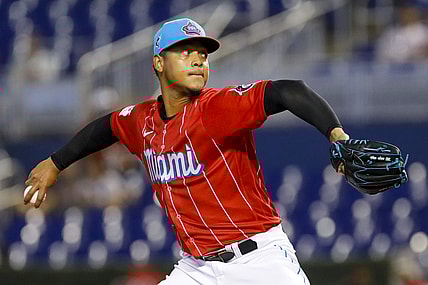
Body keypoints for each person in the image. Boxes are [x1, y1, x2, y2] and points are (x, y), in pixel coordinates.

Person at [24, 18, 349, 284]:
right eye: (185, 52)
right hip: (197, 269)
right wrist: (56, 162)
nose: (197, 60)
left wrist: (336, 135)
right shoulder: (142, 120)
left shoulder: (218, 107)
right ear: (159, 63)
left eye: (202, 54)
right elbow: (106, 127)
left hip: (257, 260)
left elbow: (289, 91)